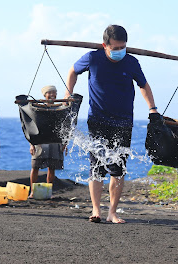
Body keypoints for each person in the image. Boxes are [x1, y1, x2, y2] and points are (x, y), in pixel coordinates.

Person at [65, 25, 159, 223]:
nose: (119, 52)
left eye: (123, 47)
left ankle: (112, 212)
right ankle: (96, 210)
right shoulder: (93, 58)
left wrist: (152, 108)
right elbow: (73, 71)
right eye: (115, 48)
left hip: (123, 121)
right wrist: (68, 93)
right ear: (104, 45)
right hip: (98, 120)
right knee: (96, 166)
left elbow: (143, 85)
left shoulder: (132, 62)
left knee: (118, 167)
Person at [28, 85, 66, 198]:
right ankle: (32, 192)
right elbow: (31, 127)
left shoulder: (60, 108)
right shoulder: (39, 109)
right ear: (44, 95)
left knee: (52, 168)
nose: (53, 95)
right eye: (50, 93)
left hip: (55, 143)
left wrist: (64, 143)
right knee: (35, 167)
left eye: (55, 93)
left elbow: (64, 127)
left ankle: (48, 192)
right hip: (40, 142)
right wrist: (31, 144)